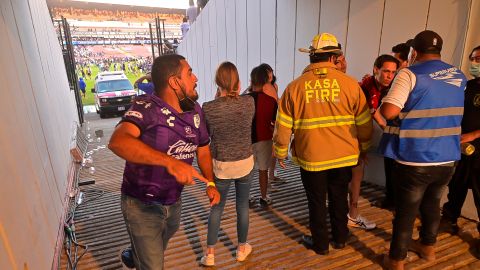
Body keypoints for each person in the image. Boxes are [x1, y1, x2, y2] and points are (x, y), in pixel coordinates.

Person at [108, 54, 221, 270]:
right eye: (189, 73)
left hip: (174, 203)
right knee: (153, 265)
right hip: (141, 205)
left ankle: (136, 253)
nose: (195, 78)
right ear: (174, 82)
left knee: (155, 248)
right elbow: (117, 141)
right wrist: (170, 162)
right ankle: (141, 253)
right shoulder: (146, 108)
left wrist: (210, 183)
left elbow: (203, 150)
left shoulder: (195, 110)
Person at [273, 33, 372, 255]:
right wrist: (364, 148)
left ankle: (320, 245)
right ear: (334, 57)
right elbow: (364, 123)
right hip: (344, 157)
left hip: (312, 159)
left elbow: (282, 129)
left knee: (316, 202)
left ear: (311, 57)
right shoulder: (350, 85)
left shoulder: (294, 88)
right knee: (339, 197)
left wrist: (280, 153)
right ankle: (340, 238)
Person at [379, 30, 467, 269]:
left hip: (415, 157)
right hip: (448, 156)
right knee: (432, 205)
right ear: (439, 51)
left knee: (406, 212)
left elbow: (389, 112)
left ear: (414, 52)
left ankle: (396, 260)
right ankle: (428, 249)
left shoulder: (409, 74)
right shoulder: (458, 74)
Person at [200, 62, 255, 266]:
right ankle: (241, 249)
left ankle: (210, 254)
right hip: (244, 163)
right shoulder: (249, 103)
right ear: (238, 83)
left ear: (217, 83)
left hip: (221, 165)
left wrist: (217, 100)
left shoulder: (208, 108)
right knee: (242, 206)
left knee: (217, 207)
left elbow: (209, 136)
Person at [441, 45, 480, 235]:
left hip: (478, 148)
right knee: (456, 185)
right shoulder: (469, 86)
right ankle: (449, 220)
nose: (474, 63)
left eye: (478, 59)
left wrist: (473, 135)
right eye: (473, 59)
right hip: (462, 148)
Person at [360, 55, 400, 213]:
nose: (390, 76)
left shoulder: (396, 85)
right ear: (376, 70)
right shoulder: (367, 85)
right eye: (386, 71)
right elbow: (373, 111)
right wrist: (386, 127)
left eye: (393, 72)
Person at [247, 65, 278, 207]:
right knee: (263, 170)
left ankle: (246, 197)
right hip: (265, 139)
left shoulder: (243, 99)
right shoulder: (271, 101)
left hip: (247, 140)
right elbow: (274, 121)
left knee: (247, 171)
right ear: (266, 80)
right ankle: (264, 197)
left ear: (252, 80)